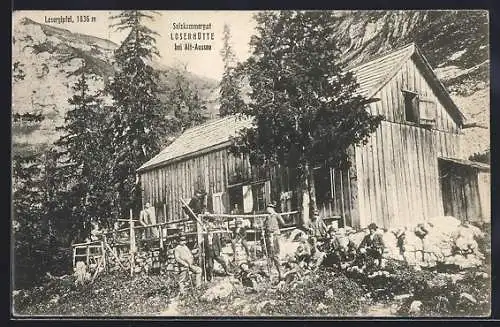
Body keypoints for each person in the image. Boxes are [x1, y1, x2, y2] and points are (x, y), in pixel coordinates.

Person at [263, 202, 286, 282]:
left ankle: (280, 273)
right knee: (269, 255)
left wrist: (275, 228)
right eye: (267, 208)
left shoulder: (276, 215)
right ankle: (270, 274)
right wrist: (263, 228)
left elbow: (283, 223)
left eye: (268, 208)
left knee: (275, 254)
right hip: (268, 237)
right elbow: (264, 226)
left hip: (275, 235)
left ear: (271, 208)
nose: (267, 210)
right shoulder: (267, 217)